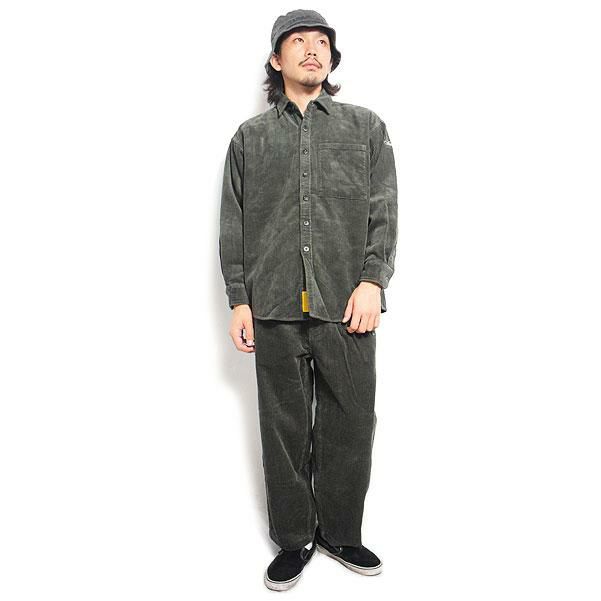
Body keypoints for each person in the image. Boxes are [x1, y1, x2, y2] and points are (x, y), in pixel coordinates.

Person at [218, 9, 398, 591]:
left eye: (322, 41)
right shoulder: (249, 138)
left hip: (347, 304)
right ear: (277, 59)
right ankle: (295, 538)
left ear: (332, 58)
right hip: (271, 305)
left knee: (352, 422)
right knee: (283, 427)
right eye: (298, 41)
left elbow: (384, 210)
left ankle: (341, 532)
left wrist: (373, 281)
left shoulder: (365, 127)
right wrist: (239, 299)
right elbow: (234, 221)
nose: (313, 48)